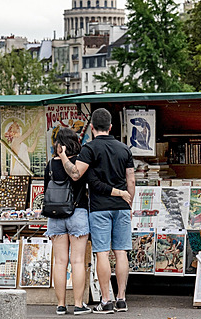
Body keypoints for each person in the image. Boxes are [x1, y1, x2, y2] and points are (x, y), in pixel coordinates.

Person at [58, 108, 134, 314]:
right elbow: (131, 181)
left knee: (102, 253)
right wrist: (129, 203)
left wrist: (64, 158)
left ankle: (106, 300)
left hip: (99, 208)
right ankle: (122, 299)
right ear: (111, 127)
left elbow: (75, 174)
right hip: (122, 207)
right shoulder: (125, 149)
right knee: (121, 252)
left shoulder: (89, 149)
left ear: (92, 127)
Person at [44, 127, 91, 315]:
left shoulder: (50, 165)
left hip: (55, 215)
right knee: (78, 261)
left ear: (58, 144)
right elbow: (78, 178)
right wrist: (65, 157)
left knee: (59, 262)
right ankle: (78, 304)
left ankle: (61, 305)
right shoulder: (79, 162)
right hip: (77, 212)